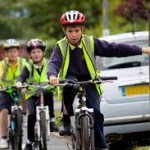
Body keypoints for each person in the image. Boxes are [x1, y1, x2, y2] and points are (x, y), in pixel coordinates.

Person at [47, 10, 150, 150]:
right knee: (68, 86)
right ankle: (65, 119)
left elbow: (115, 49)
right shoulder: (60, 46)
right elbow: (53, 62)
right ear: (64, 31)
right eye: (70, 31)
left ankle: (100, 145)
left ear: (82, 29)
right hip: (70, 77)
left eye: (77, 30)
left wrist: (142, 50)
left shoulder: (90, 42)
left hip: (90, 79)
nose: (74, 34)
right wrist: (52, 76)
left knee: (96, 111)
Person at [15, 38, 58, 150]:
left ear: (43, 52)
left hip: (46, 90)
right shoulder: (28, 66)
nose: (36, 54)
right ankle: (29, 140)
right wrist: (19, 82)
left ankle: (52, 120)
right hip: (32, 93)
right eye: (33, 52)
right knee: (32, 115)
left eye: (39, 52)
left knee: (48, 93)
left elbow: (53, 73)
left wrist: (55, 80)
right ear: (29, 55)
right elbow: (22, 76)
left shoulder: (49, 63)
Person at [0, 39, 27, 149]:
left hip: (19, 89)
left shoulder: (23, 62)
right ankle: (3, 138)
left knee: (25, 92)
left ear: (18, 52)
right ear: (5, 53)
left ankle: (24, 114)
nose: (12, 54)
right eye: (9, 51)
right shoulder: (2, 64)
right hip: (6, 91)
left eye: (14, 51)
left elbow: (29, 74)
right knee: (4, 111)